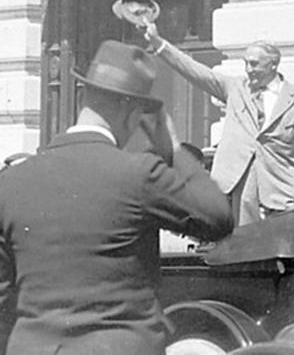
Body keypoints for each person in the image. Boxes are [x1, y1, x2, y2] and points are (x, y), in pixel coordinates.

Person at [0, 40, 233, 355]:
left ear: (83, 96)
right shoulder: (138, 173)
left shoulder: (11, 181)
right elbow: (218, 217)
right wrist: (175, 149)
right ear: (133, 111)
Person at [144, 25, 294, 224]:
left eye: (255, 64)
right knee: (246, 250)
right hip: (241, 192)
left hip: (284, 193)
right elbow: (195, 71)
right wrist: (159, 43)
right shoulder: (235, 89)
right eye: (246, 63)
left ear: (273, 65)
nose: (249, 70)